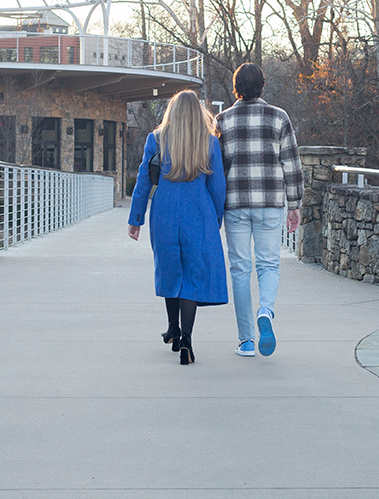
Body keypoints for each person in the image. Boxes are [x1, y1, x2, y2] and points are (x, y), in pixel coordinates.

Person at [128, 90, 227, 365]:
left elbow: (144, 181)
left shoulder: (157, 140)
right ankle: (185, 338)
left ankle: (172, 327)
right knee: (193, 274)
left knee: (171, 269)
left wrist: (136, 218)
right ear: (198, 113)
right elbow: (218, 187)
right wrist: (216, 218)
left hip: (165, 212)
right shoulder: (209, 143)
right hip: (199, 211)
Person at [214, 63, 303, 358]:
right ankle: (265, 310)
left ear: (235, 87)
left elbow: (217, 170)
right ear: (262, 86)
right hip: (269, 202)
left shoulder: (222, 121)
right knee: (268, 265)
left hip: (236, 204)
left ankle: (246, 341)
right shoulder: (279, 117)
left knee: (240, 270)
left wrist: (214, 208)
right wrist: (295, 204)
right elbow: (291, 164)